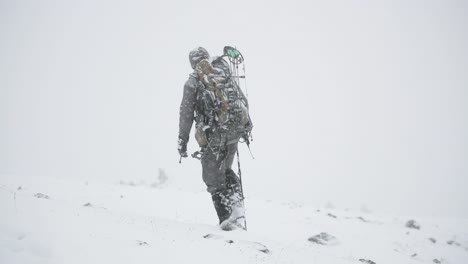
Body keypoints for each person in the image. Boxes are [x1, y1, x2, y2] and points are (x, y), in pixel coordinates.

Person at [177, 46, 252, 230]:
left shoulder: (193, 82)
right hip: (234, 129)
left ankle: (228, 222)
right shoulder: (224, 71)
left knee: (212, 177)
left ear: (192, 62)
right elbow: (241, 99)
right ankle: (236, 210)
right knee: (225, 169)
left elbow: (186, 114)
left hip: (214, 134)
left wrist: (182, 141)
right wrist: (246, 125)